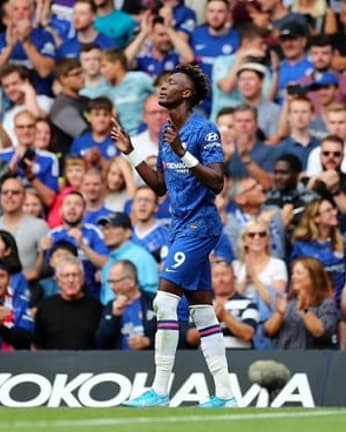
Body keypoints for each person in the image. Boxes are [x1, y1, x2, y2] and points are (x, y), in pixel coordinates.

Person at [111, 64, 235, 407]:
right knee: (202, 311)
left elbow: (217, 181)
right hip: (180, 226)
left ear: (187, 93)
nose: (163, 88)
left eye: (171, 84)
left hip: (200, 225)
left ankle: (160, 390)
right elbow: (160, 186)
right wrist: (131, 151)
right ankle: (225, 394)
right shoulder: (168, 131)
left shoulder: (204, 131)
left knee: (165, 301)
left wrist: (183, 152)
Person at [264, 256, 338, 350]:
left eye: (299, 273)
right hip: (286, 360)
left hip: (313, 361)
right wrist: (279, 313)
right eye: (293, 273)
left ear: (314, 277)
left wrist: (305, 311)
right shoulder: (288, 302)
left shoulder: (326, 303)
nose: (293, 277)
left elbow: (322, 332)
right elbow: (268, 332)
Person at [187, 259, 259, 350]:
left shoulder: (249, 303)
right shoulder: (199, 306)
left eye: (224, 274)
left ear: (234, 278)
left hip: (241, 358)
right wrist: (212, 321)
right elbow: (190, 338)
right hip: (207, 359)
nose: (220, 279)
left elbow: (248, 334)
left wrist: (225, 316)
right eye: (216, 275)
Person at [33, 256, 103, 350]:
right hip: (53, 363)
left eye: (75, 275)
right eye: (66, 276)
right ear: (58, 281)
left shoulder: (96, 307)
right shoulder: (45, 307)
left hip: (88, 363)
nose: (71, 280)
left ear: (82, 279)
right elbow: (37, 346)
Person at [290, 198, 346, 305]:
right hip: (315, 304)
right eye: (328, 210)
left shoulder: (343, 242)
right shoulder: (301, 247)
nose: (334, 212)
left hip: (341, 302)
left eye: (334, 209)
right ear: (316, 218)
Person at [95, 259, 160, 350]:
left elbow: (173, 335)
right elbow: (101, 343)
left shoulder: (154, 302)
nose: (111, 286)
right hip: (119, 362)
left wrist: (148, 341)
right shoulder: (110, 306)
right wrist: (114, 316)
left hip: (150, 359)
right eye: (110, 282)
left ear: (131, 281)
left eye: (115, 282)